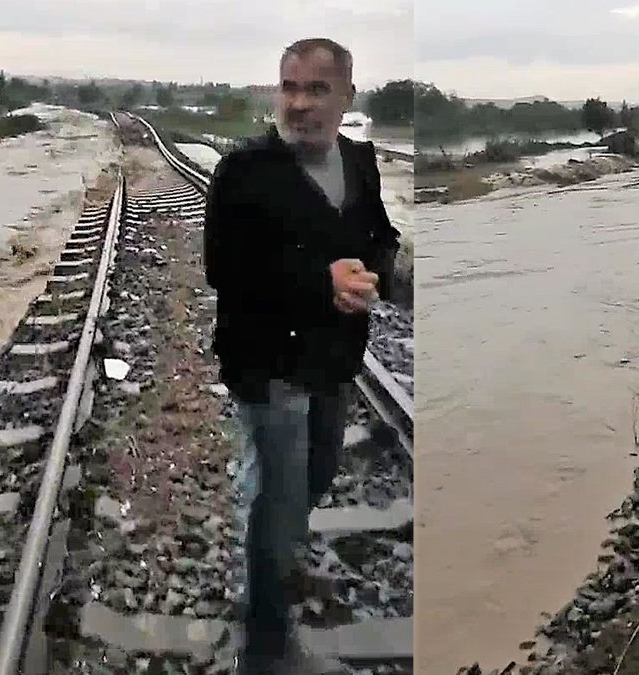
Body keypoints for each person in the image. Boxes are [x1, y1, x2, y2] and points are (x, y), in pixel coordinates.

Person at [203, 37, 401, 673]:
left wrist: (385, 273)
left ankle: (273, 552)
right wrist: (322, 281)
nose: (300, 103)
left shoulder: (361, 162)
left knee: (314, 480)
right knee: (282, 502)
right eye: (290, 88)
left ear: (347, 95)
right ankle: (264, 647)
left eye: (317, 90)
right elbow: (224, 268)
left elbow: (378, 236)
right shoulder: (244, 172)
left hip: (335, 361)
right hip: (269, 366)